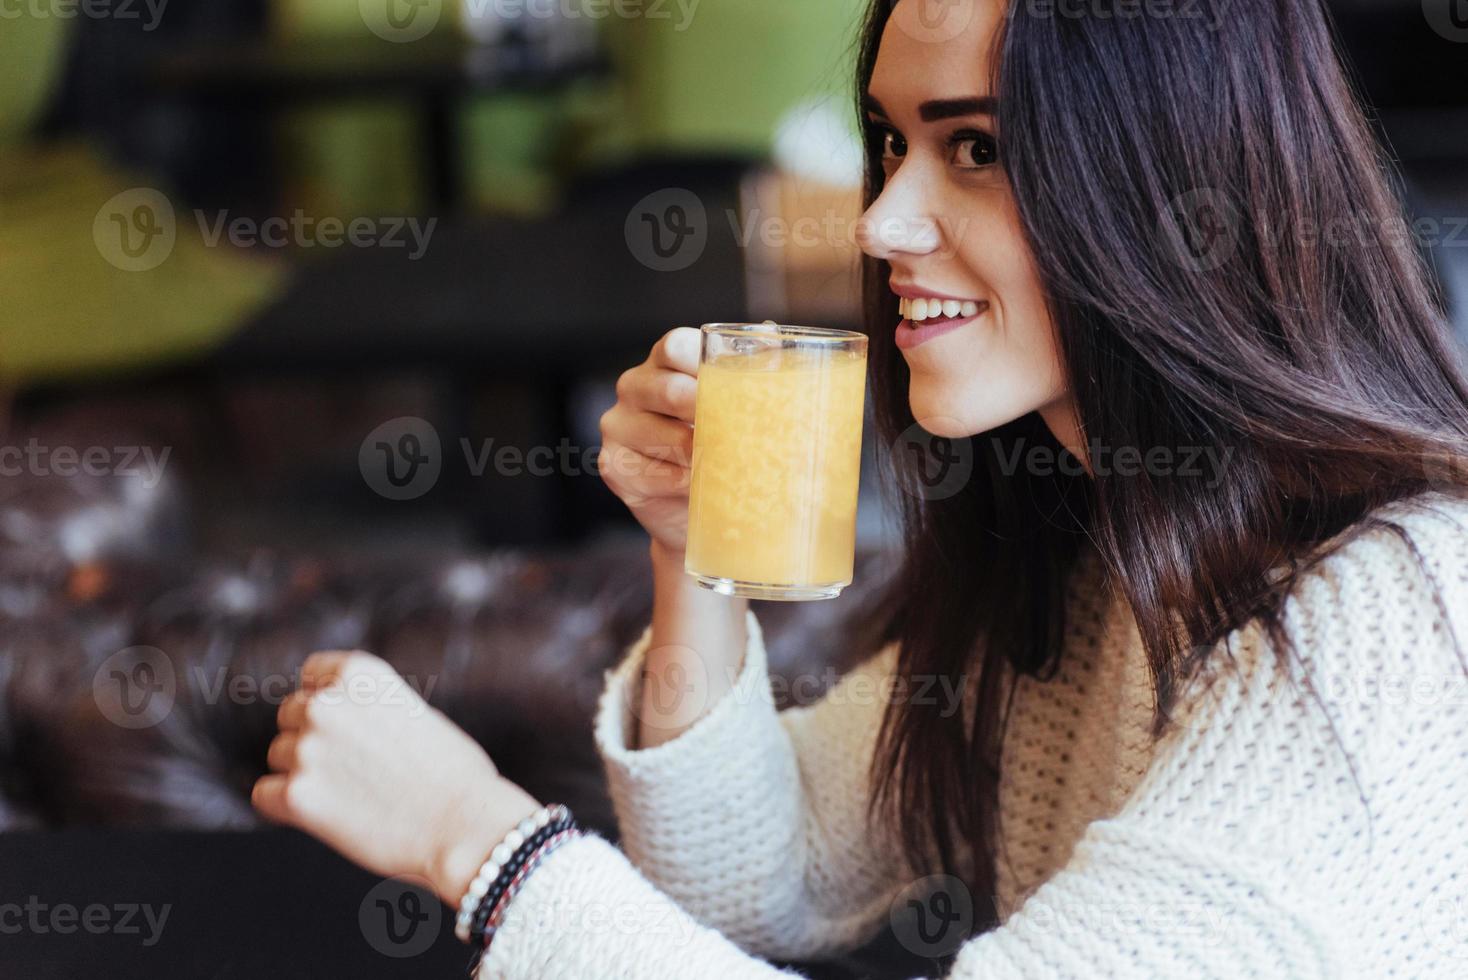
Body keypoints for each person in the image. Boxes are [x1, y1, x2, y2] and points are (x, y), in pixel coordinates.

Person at [251, 1, 1468, 976]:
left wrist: (482, 842)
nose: (882, 218)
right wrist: (694, 550)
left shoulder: (1386, 620)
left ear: (1169, 189)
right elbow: (753, 876)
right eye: (891, 142)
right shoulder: (1088, 535)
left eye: (975, 149)